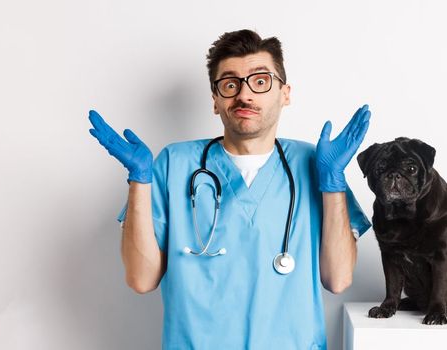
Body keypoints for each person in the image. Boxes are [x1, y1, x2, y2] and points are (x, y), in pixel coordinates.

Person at [87, 29, 372, 349]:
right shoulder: (173, 163)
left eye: (260, 81)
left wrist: (332, 182)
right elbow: (141, 279)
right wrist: (140, 180)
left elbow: (338, 278)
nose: (245, 95)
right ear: (215, 99)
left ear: (285, 93)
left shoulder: (316, 163)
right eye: (230, 84)